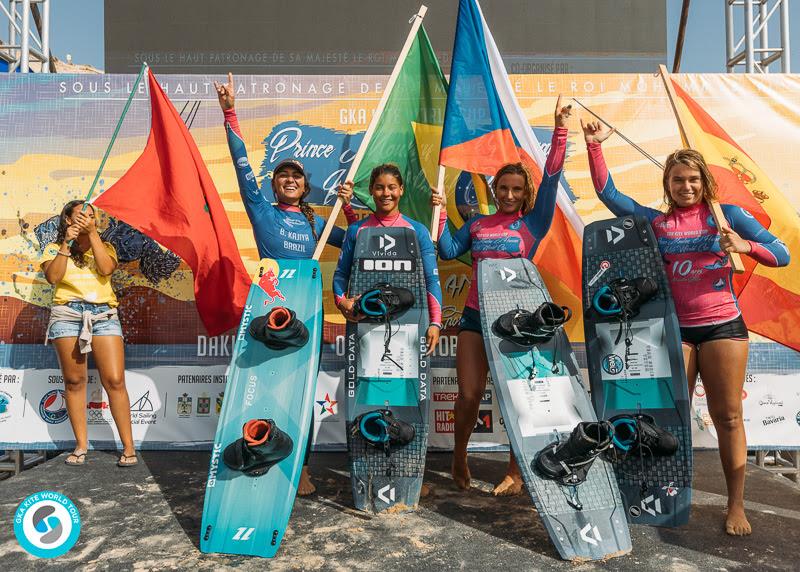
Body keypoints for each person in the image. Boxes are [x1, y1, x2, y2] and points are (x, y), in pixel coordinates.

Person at [581, 119, 790, 535]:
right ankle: (661, 497)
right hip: (676, 331)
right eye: (678, 180)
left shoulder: (726, 215)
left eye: (693, 179)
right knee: (665, 420)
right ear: (668, 184)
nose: (686, 186)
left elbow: (781, 253)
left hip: (722, 327)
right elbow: (610, 196)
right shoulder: (657, 224)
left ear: (704, 182)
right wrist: (594, 146)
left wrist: (744, 245)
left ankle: (735, 505)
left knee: (728, 416)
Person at [215, 73, 357, 496]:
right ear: (274, 184)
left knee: (301, 393)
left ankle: (302, 467)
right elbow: (242, 170)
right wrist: (230, 114)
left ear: (306, 185)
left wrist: (347, 209)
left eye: (297, 176)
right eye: (283, 176)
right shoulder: (262, 211)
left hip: (306, 309)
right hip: (267, 304)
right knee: (255, 383)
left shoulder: (315, 219)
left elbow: (352, 240)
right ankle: (253, 450)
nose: (290, 180)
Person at [431, 96, 572, 495]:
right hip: (476, 318)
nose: (508, 195)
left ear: (523, 191)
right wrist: (441, 214)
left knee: (518, 398)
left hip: (520, 326)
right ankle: (459, 454)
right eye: (502, 188)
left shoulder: (534, 222)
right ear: (493, 190)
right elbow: (445, 250)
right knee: (470, 394)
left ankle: (515, 470)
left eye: (514, 188)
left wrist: (559, 129)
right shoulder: (477, 224)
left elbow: (552, 179)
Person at [40, 200, 137, 468]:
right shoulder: (52, 247)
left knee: (115, 380)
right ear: (68, 220)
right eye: (82, 216)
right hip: (67, 315)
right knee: (74, 381)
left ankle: (129, 447)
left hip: (104, 315)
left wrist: (93, 233)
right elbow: (54, 278)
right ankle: (81, 445)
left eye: (91, 216)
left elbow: (106, 270)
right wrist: (65, 244)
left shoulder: (105, 247)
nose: (87, 219)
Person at [333, 163, 443, 353]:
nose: (386, 193)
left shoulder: (417, 231)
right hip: (365, 319)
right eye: (379, 187)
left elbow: (431, 280)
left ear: (401, 190)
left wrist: (435, 323)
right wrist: (342, 303)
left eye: (392, 187)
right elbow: (341, 274)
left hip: (410, 320)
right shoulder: (356, 230)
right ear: (371, 191)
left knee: (404, 383)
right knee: (365, 382)